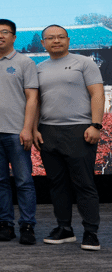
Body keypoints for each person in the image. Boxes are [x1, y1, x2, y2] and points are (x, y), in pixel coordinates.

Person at [35, 25, 104, 251]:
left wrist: (96, 125)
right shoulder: (39, 68)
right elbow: (36, 101)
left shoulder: (84, 63)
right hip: (48, 131)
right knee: (57, 184)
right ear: (43, 43)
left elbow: (97, 93)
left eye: (60, 37)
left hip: (79, 130)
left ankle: (91, 232)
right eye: (50, 38)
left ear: (68, 40)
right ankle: (64, 228)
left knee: (84, 183)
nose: (56, 41)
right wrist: (34, 128)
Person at [0, 19, 39, 245]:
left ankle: (27, 225)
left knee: (24, 181)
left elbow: (32, 98)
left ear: (14, 37)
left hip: (17, 133)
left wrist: (27, 128)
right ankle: (5, 225)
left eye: (5, 32)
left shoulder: (25, 62)